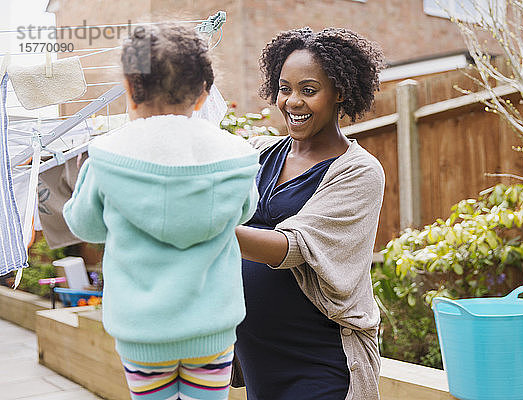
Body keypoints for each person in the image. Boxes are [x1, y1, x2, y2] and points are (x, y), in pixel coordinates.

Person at [63, 23, 259, 400]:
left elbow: (84, 225)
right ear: (204, 93)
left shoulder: (107, 157)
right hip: (211, 330)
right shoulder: (235, 155)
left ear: (129, 89)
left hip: (142, 332)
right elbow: (245, 211)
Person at [233, 27, 386, 400]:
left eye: (308, 90)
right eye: (285, 89)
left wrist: (206, 230)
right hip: (259, 360)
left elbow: (293, 247)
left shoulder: (359, 171)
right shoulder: (259, 153)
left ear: (341, 94)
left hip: (319, 358)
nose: (292, 102)